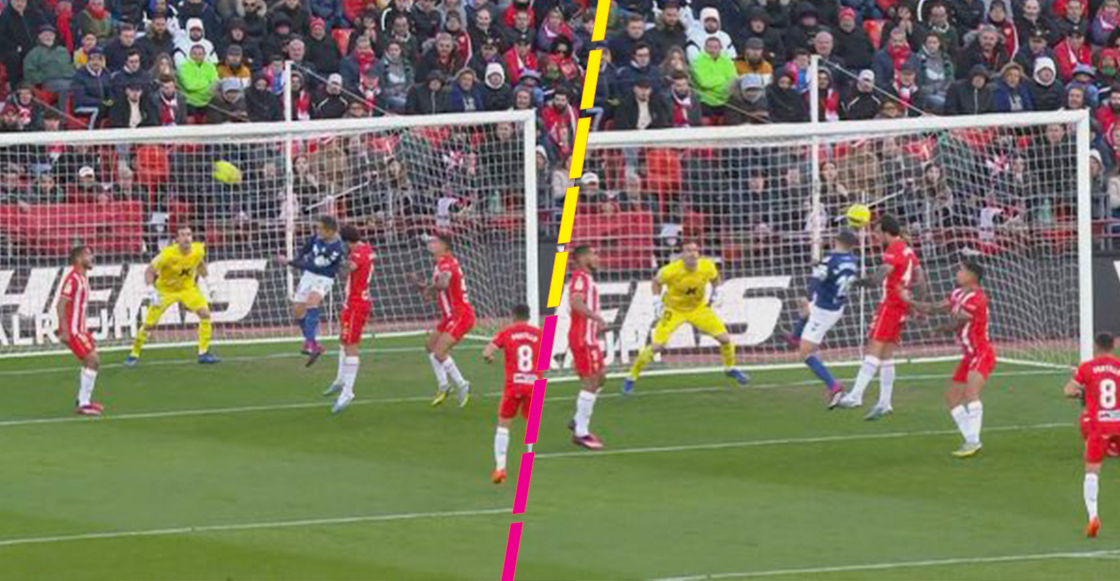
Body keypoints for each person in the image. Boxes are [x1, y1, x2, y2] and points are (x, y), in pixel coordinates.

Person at [624, 241, 749, 394]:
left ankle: (730, 368)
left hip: (698, 309)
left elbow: (715, 278)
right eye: (688, 250)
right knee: (657, 346)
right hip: (674, 310)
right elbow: (656, 282)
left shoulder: (707, 266)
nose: (692, 254)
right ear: (681, 255)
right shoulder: (670, 271)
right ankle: (631, 377)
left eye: (695, 250)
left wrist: (718, 291)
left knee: (725, 339)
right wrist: (656, 301)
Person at [839, 214, 924, 419]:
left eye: (877, 232)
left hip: (890, 305)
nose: (875, 236)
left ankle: (856, 395)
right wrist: (918, 305)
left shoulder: (893, 249)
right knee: (886, 355)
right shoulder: (908, 249)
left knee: (873, 350)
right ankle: (885, 403)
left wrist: (853, 282)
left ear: (887, 232)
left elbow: (877, 279)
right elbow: (921, 279)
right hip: (901, 306)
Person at [912, 260, 996, 457]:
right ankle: (971, 439)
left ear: (972, 276)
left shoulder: (978, 298)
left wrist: (939, 329)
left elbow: (958, 321)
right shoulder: (958, 294)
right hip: (969, 355)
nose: (957, 273)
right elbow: (935, 307)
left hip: (981, 352)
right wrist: (910, 302)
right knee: (952, 398)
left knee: (971, 393)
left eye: (961, 270)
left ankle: (973, 441)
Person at [125, 225, 220, 366]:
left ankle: (203, 353)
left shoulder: (198, 249)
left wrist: (210, 285)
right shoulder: (167, 254)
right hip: (165, 291)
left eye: (189, 234)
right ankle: (134, 353)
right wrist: (152, 292)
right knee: (149, 324)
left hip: (187, 289)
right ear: (177, 239)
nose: (187, 238)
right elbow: (149, 271)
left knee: (205, 314)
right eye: (183, 235)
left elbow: (200, 264)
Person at [790, 230, 860, 407]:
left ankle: (834, 386)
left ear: (837, 240)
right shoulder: (853, 260)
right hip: (836, 306)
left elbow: (817, 279)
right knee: (807, 311)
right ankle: (795, 336)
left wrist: (806, 296)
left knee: (805, 354)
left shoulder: (830, 260)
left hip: (824, 310)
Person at [1063, 332, 1120, 538]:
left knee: (1092, 472)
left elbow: (1068, 391)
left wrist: (1084, 392)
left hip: (1099, 427)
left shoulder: (1087, 367)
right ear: (1113, 346)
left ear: (1096, 346)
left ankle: (1093, 517)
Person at [482, 303, 543, 484]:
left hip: (513, 385)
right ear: (529, 317)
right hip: (534, 385)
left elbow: (487, 352)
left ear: (513, 316)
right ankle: (529, 458)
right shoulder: (540, 334)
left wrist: (489, 358)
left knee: (503, 424)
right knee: (531, 422)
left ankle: (500, 468)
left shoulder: (507, 332)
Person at [415, 233, 475, 408]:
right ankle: (444, 386)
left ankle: (462, 384)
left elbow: (443, 283)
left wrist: (430, 288)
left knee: (439, 352)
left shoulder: (446, 263)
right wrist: (425, 289)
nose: (430, 244)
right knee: (430, 346)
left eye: (435, 241)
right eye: (430, 241)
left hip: (460, 315)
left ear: (445, 246)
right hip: (449, 316)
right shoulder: (441, 263)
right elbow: (440, 290)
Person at [276, 215, 346, 364]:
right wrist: (297, 258)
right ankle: (313, 344)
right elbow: (306, 247)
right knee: (297, 310)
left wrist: (290, 263)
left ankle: (309, 344)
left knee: (312, 302)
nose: (317, 231)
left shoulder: (337, 248)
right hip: (309, 275)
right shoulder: (319, 236)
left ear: (330, 231)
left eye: (320, 228)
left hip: (324, 277)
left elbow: (315, 265)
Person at [323, 225, 375, 414]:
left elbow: (346, 271)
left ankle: (348, 392)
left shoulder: (357, 255)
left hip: (356, 306)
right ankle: (340, 380)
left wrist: (335, 260)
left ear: (346, 242)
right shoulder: (366, 249)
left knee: (351, 346)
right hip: (352, 303)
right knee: (343, 341)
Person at [567, 245, 607, 450]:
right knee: (591, 381)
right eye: (594, 254)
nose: (597, 258)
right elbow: (576, 302)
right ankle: (581, 432)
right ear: (582, 258)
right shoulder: (580, 278)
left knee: (601, 377)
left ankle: (577, 420)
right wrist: (596, 318)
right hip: (583, 338)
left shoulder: (587, 278)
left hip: (588, 337)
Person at [57, 245, 104, 416]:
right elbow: (60, 305)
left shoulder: (83, 278)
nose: (92, 258)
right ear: (78, 259)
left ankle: (83, 401)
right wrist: (64, 330)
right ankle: (83, 403)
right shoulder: (73, 279)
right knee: (93, 360)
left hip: (81, 330)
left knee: (92, 361)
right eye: (88, 255)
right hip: (73, 331)